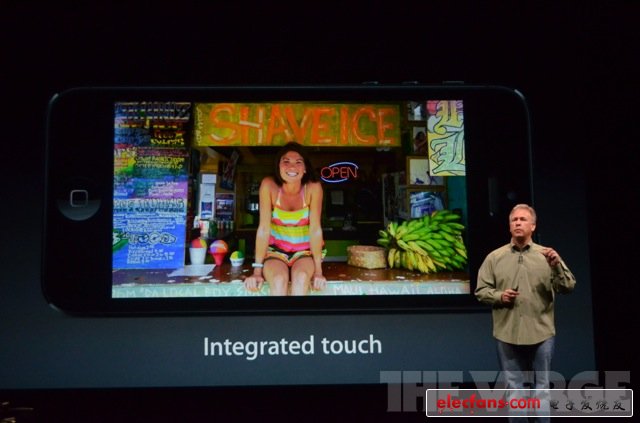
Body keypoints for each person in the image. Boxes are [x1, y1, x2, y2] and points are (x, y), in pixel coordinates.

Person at [475, 204, 576, 421]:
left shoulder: (547, 256)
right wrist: (499, 296)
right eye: (514, 220)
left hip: (541, 332)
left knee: (542, 387)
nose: (518, 223)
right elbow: (480, 291)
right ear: (509, 226)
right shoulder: (495, 257)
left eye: (523, 219)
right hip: (507, 332)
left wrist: (557, 266)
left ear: (533, 226)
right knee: (514, 387)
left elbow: (568, 287)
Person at [244, 142, 326, 295]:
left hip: (304, 252)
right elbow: (263, 228)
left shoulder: (313, 188)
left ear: (305, 168)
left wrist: (318, 271)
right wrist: (257, 271)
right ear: (278, 166)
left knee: (302, 277)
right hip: (275, 252)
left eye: (298, 162)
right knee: (278, 280)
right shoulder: (269, 185)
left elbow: (315, 229)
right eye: (286, 161)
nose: (292, 167)